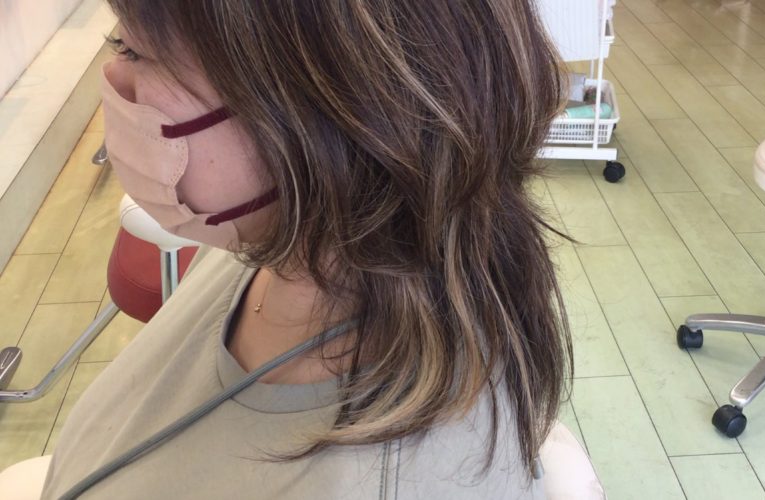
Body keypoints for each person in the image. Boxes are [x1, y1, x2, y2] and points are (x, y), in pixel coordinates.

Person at [41, 1, 573, 498]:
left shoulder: (378, 481)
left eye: (134, 50)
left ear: (334, 114)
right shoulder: (272, 235)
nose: (113, 78)